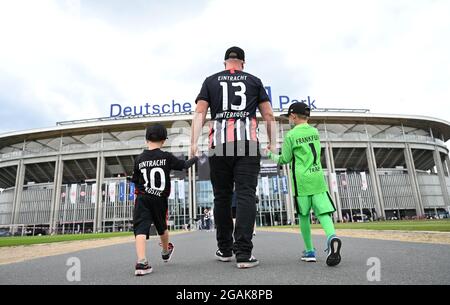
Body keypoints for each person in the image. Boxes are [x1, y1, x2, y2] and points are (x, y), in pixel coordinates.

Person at [191, 46, 275, 269]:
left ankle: (225, 249)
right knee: (246, 194)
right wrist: (272, 142)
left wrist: (193, 142)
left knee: (222, 197)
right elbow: (268, 114)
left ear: (225, 62)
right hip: (247, 143)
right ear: (243, 63)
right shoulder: (254, 81)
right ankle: (244, 253)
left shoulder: (210, 80)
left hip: (219, 145)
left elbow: (200, 112)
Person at [266, 102, 342, 267]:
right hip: (317, 177)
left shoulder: (291, 135)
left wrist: (269, 154)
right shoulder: (314, 131)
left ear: (293, 116)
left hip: (301, 181)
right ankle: (331, 237)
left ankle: (309, 251)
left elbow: (284, 159)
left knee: (304, 215)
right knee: (323, 213)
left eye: (289, 117)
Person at [131, 124, 198, 276]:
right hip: (159, 199)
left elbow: (135, 180)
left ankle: (141, 262)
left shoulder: (139, 159)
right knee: (162, 227)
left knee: (140, 228)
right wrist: (196, 157)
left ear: (146, 139)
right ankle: (165, 250)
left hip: (142, 197)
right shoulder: (166, 156)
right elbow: (185, 165)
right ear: (164, 141)